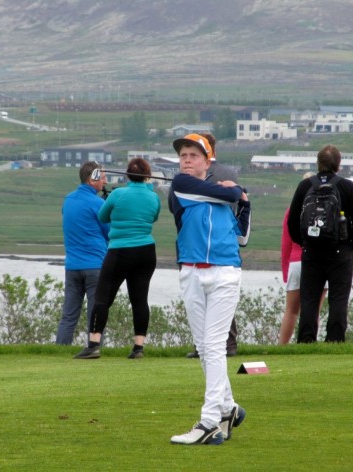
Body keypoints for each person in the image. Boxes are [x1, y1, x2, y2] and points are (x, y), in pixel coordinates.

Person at [168, 133, 251, 446]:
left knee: (214, 345)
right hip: (191, 272)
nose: (187, 161)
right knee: (204, 347)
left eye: (193, 156)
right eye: (183, 156)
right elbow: (228, 195)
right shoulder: (181, 185)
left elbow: (242, 237)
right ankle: (228, 409)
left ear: (208, 161)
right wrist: (237, 192)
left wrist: (245, 203)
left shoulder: (219, 195)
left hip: (225, 273)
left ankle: (209, 422)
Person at [74, 158, 161, 359]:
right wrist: (147, 189)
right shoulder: (153, 197)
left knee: (102, 297)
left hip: (120, 250)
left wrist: (111, 204)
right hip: (146, 251)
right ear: (147, 176)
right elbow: (154, 217)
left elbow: (102, 217)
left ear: (128, 175)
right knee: (139, 300)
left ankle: (93, 344)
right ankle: (138, 347)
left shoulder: (118, 194)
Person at [287, 144, 353, 343]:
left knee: (309, 300)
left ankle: (306, 341)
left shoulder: (305, 186)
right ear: (338, 164)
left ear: (318, 163)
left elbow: (292, 221)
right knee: (338, 299)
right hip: (341, 252)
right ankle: (335, 341)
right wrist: (351, 246)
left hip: (311, 251)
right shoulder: (347, 187)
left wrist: (304, 243)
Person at [184, 133, 239, 358]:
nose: (188, 159)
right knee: (223, 301)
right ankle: (229, 342)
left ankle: (206, 345)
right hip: (227, 238)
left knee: (204, 301)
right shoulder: (230, 173)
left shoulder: (198, 175)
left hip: (199, 243)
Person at [55, 161, 110, 345]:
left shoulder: (68, 200)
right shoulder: (98, 203)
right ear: (92, 179)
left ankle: (59, 350)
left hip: (72, 266)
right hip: (95, 266)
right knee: (95, 315)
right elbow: (109, 232)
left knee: (69, 316)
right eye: (102, 178)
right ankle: (94, 348)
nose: (105, 182)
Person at [279, 172, 327, 345]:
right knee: (314, 311)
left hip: (296, 262)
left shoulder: (292, 209)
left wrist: (286, 272)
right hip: (320, 263)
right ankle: (308, 343)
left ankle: (281, 346)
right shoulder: (326, 209)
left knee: (291, 311)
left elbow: (286, 243)